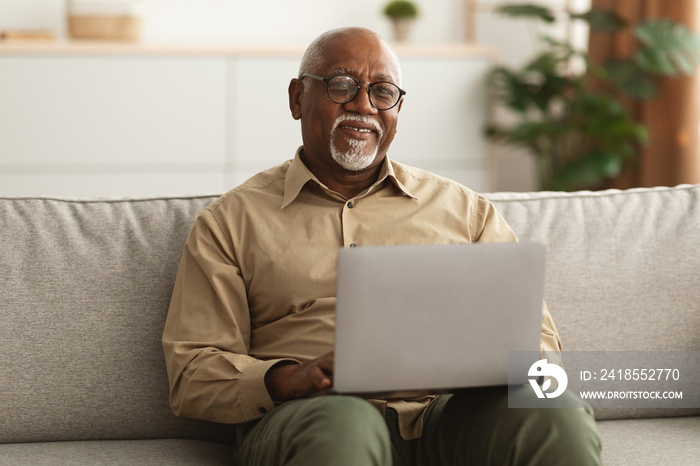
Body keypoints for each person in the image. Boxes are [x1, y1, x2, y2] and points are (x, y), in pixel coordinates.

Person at [162, 27, 602, 466]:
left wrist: (501, 363)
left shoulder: (467, 211)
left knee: (553, 411)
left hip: (446, 418)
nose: (363, 105)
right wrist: (291, 378)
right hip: (313, 419)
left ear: (398, 107)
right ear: (297, 98)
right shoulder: (229, 222)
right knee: (345, 425)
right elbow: (192, 372)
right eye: (341, 85)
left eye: (382, 91)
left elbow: (540, 343)